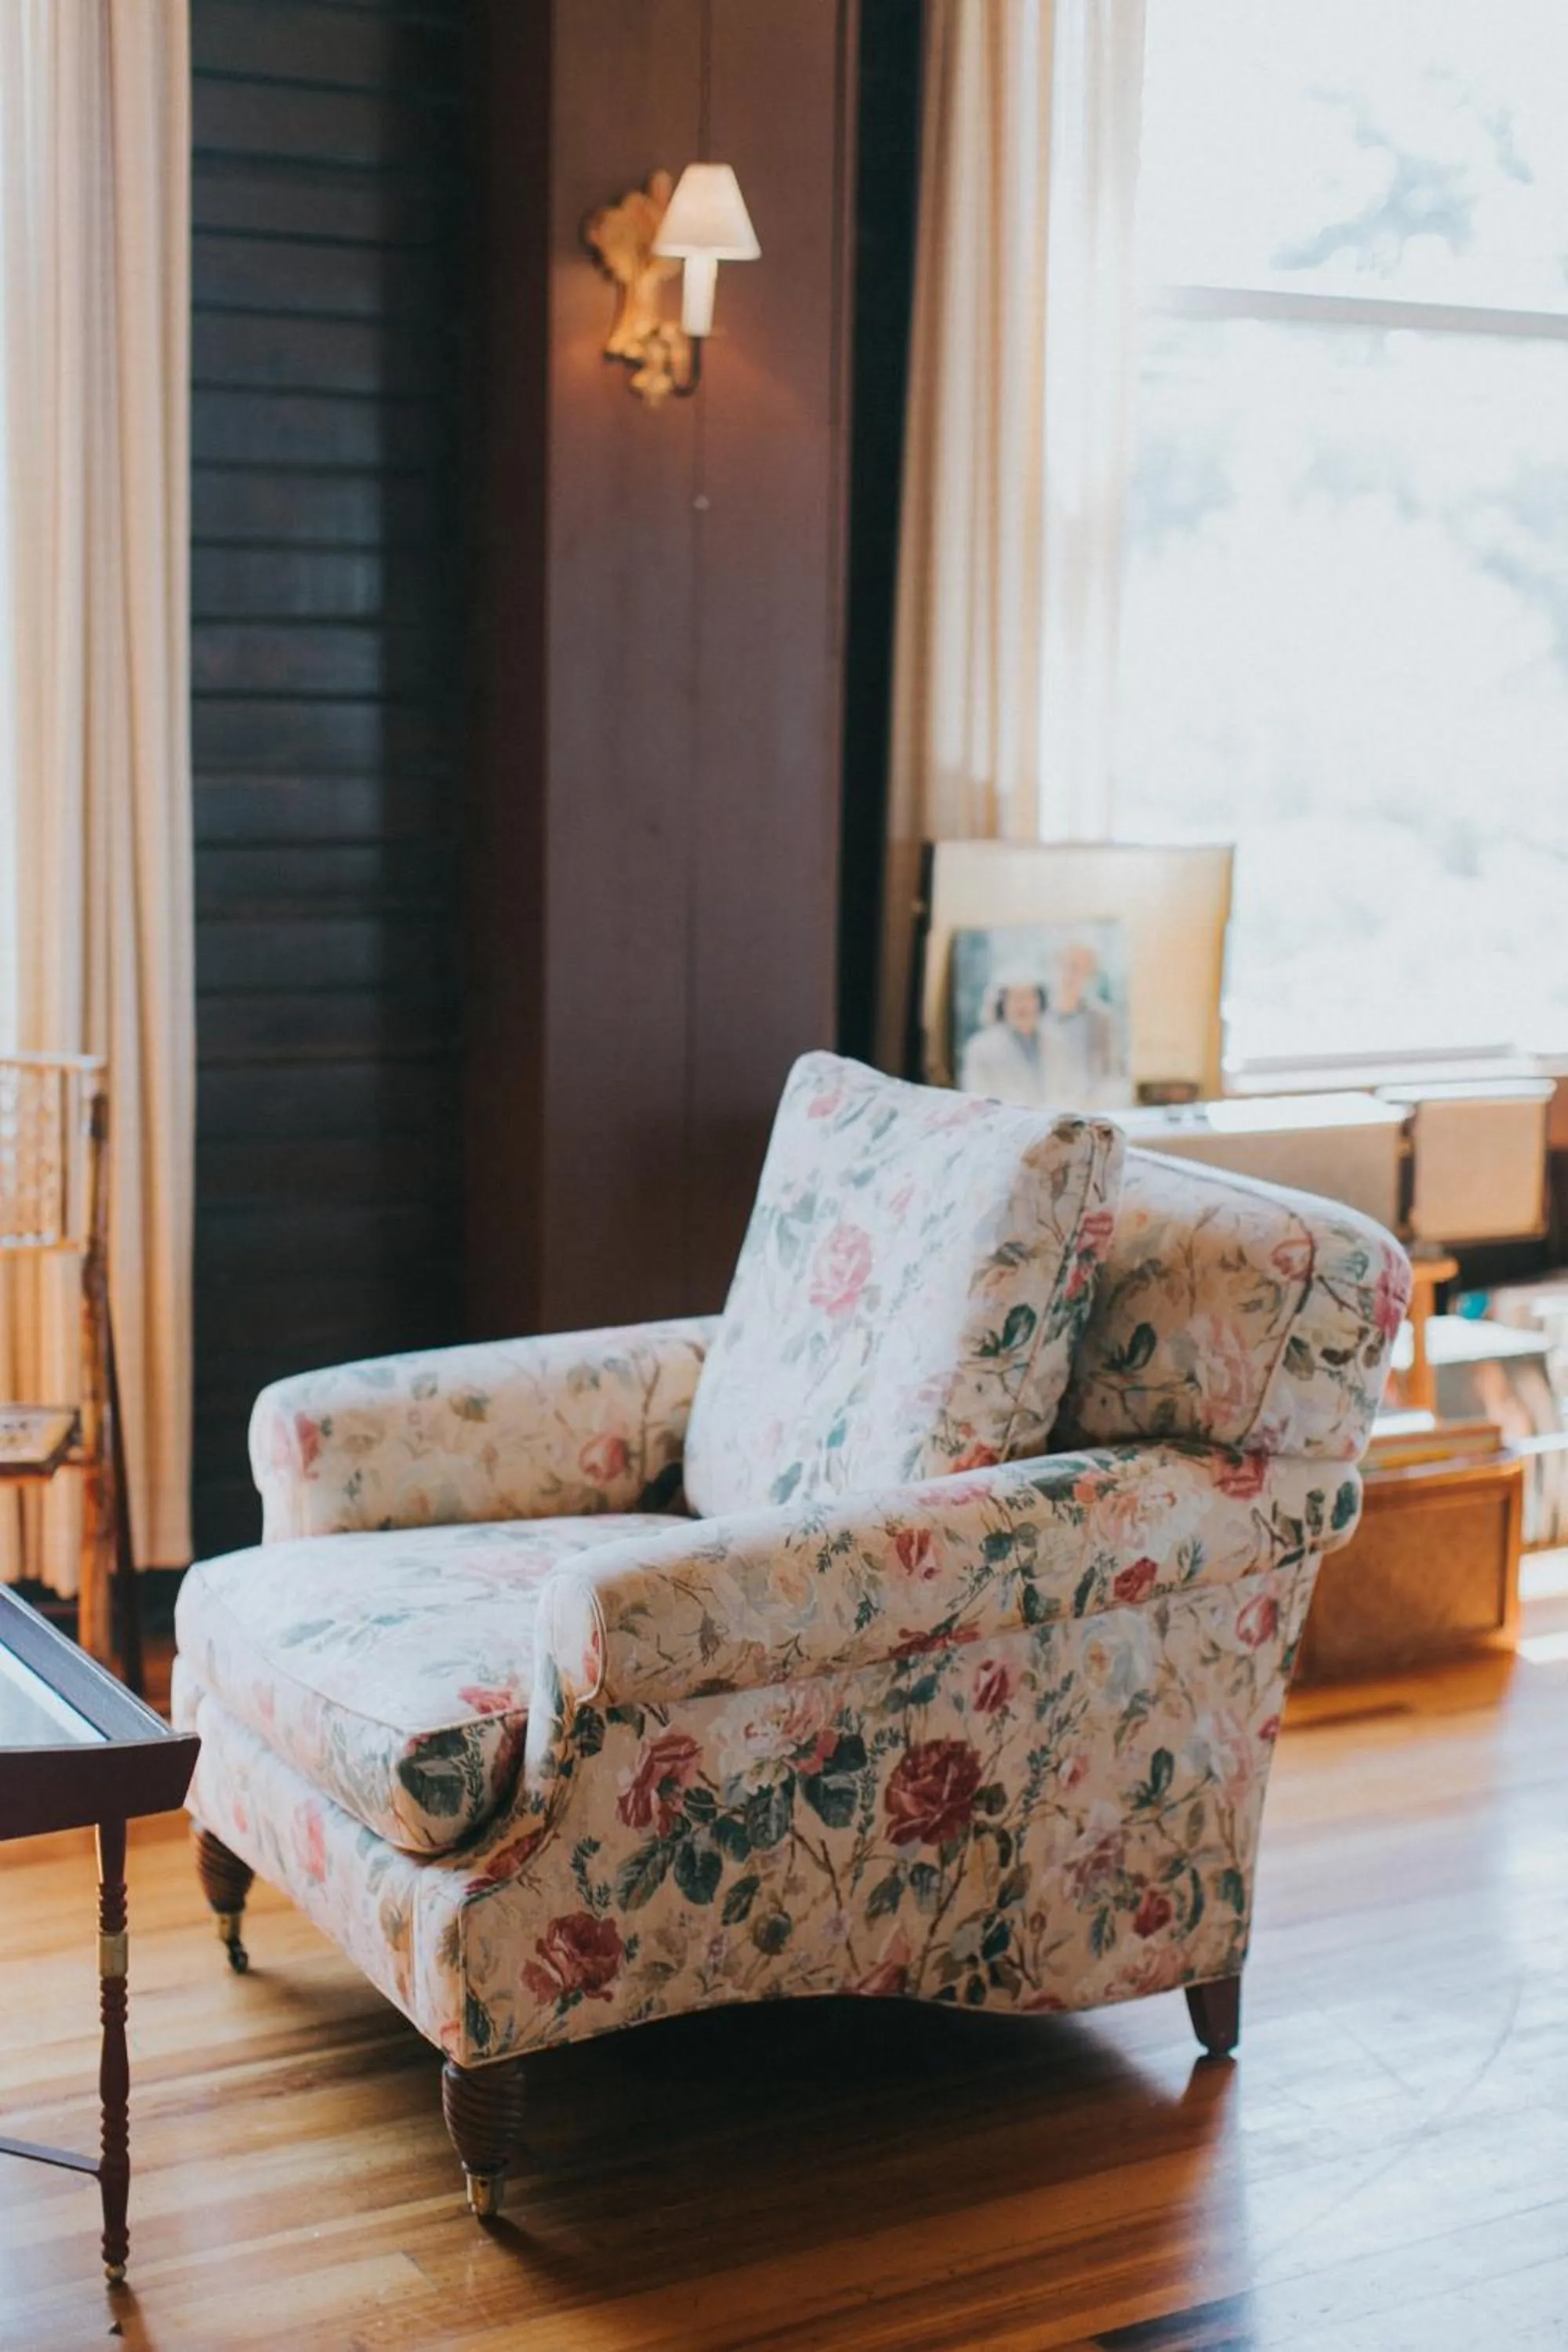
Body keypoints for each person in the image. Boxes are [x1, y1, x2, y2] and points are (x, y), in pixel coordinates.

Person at [958, 975, 1053, 1108]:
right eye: (1016, 998)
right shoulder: (981, 1048)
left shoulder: (1056, 1042)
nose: (1023, 1005)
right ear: (1002, 1004)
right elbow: (977, 1101)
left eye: (1029, 997)